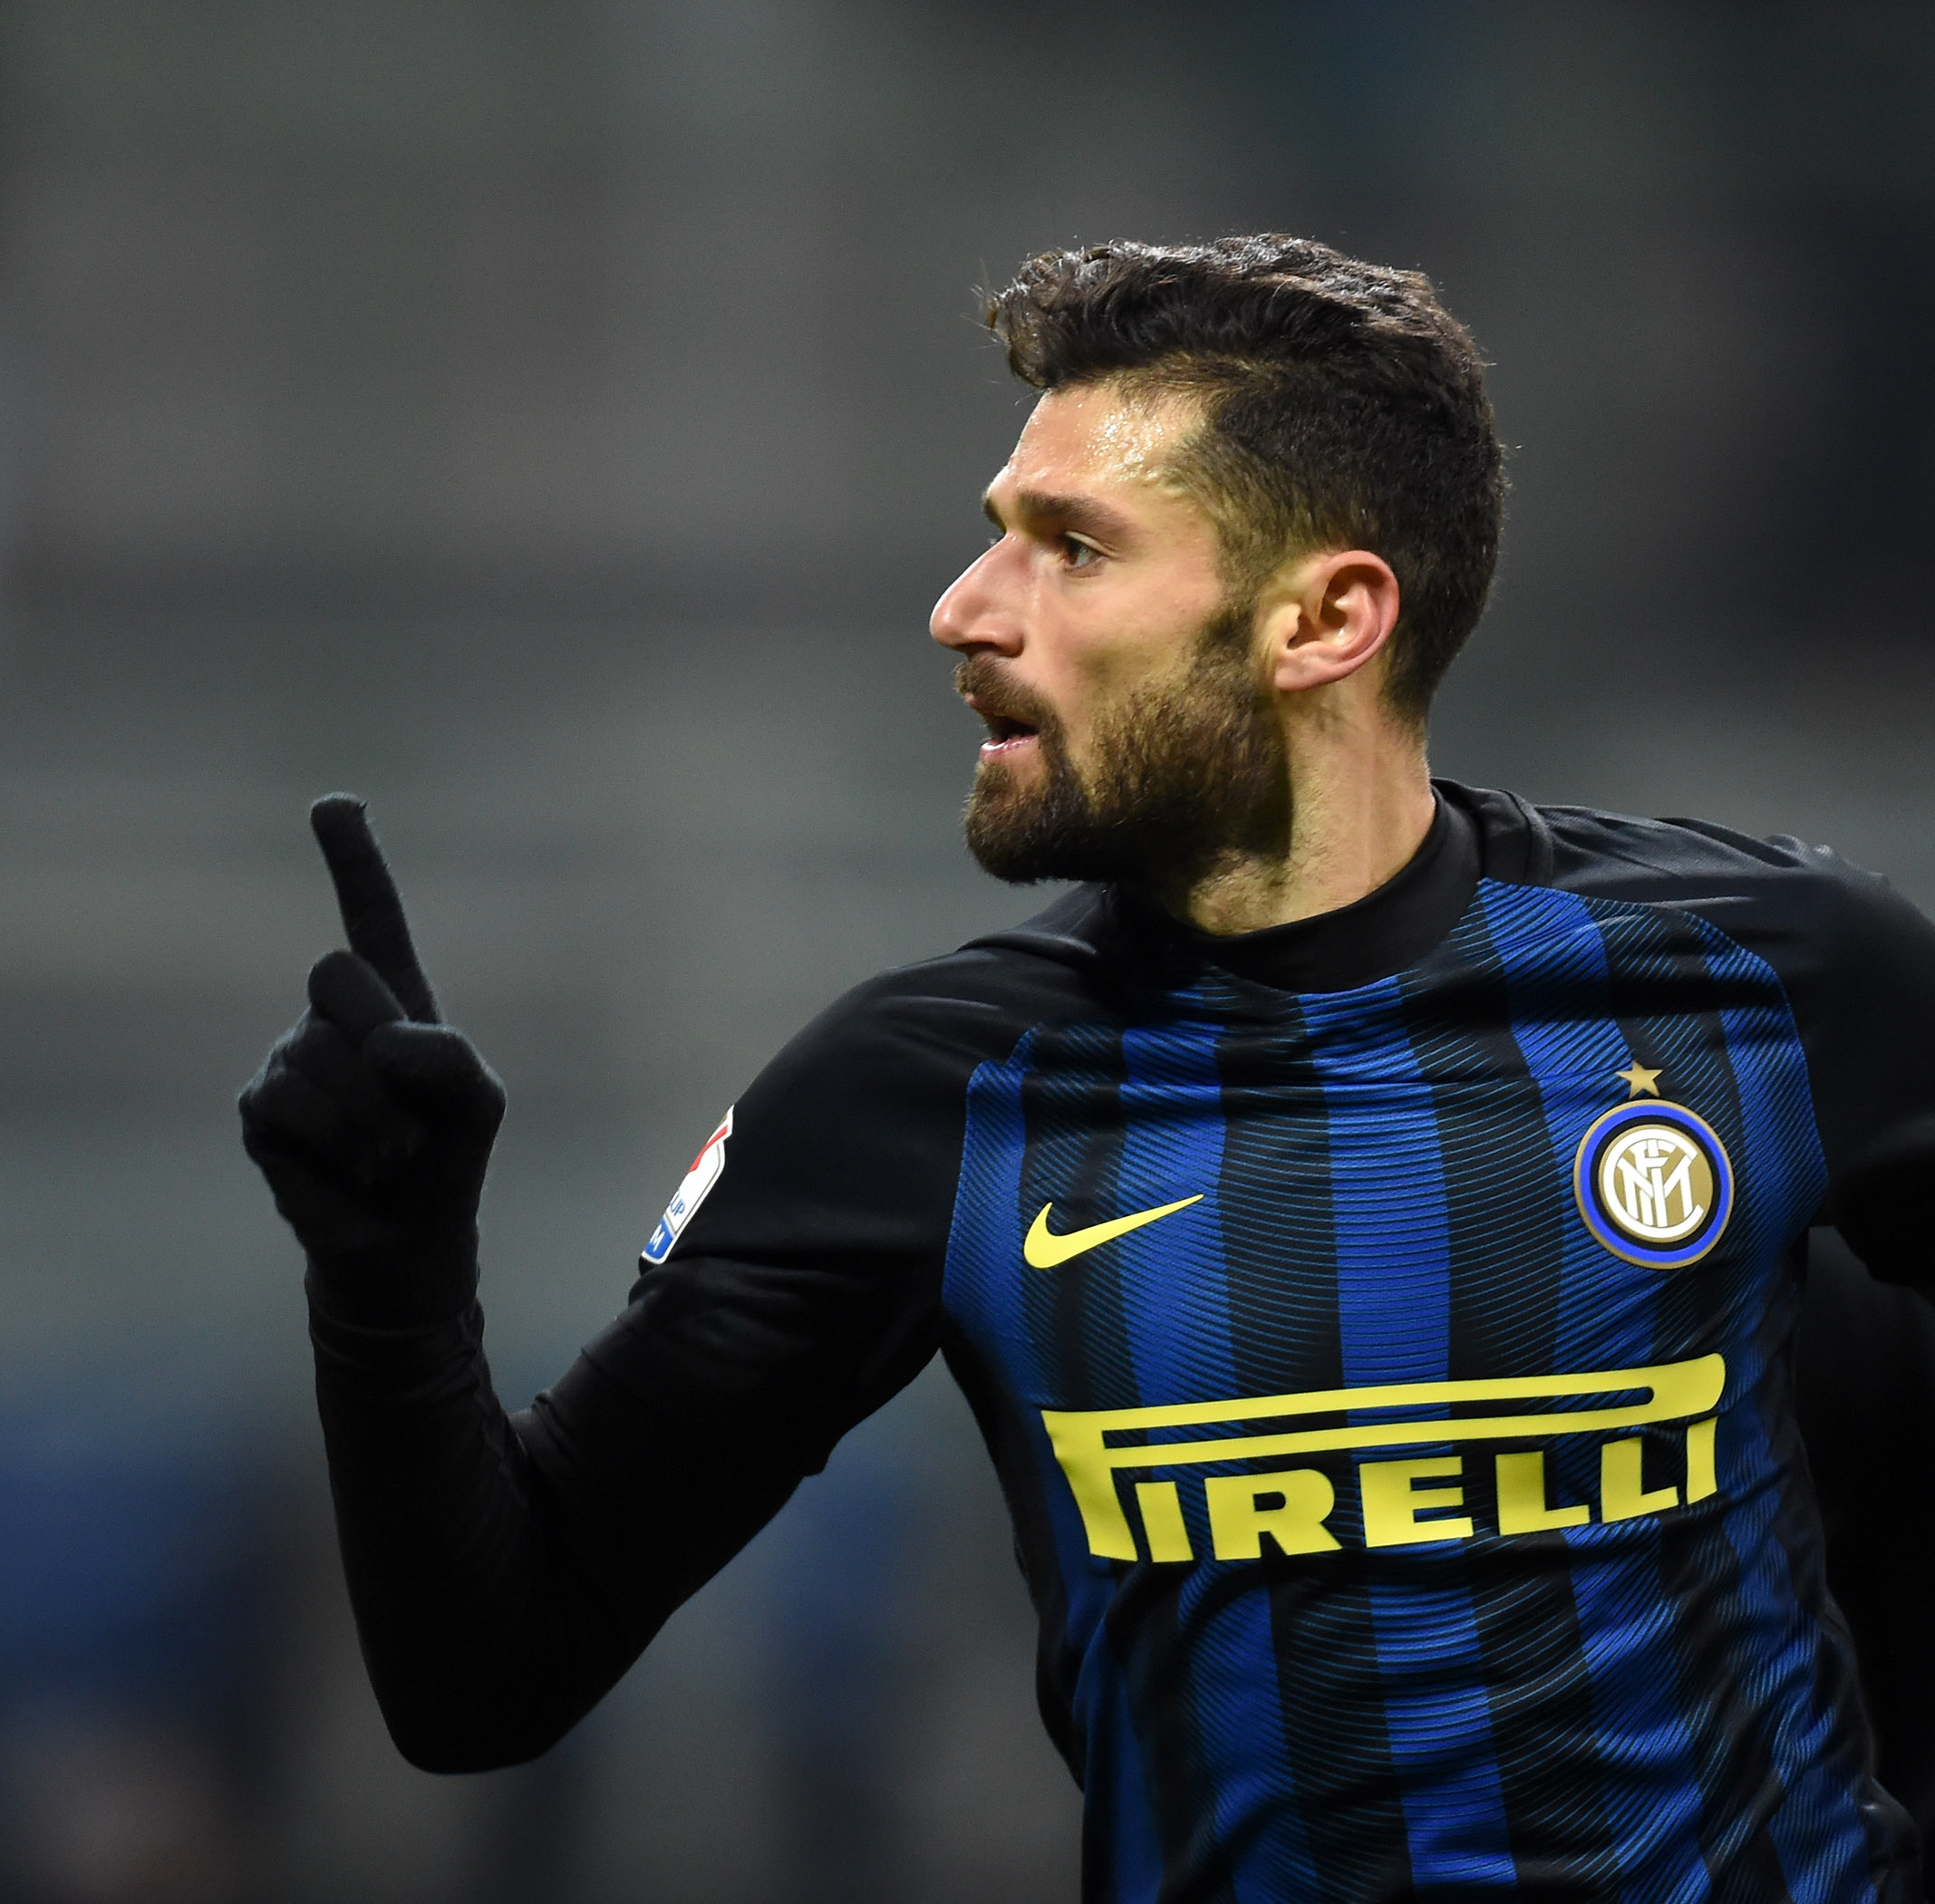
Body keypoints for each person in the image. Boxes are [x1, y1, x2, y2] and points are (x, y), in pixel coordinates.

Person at [237, 236, 1935, 1901]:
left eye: (1072, 547)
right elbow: (484, 1680)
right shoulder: (923, 1095)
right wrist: (386, 1278)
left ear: (1325, 618)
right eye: (996, 539)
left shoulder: (1775, 984)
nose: (963, 609)